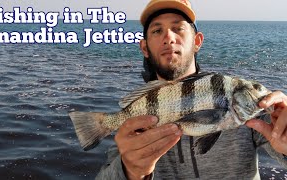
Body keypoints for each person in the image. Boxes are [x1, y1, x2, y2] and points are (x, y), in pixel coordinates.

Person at [95, 0, 287, 179]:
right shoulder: (138, 117)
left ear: (197, 41)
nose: (169, 37)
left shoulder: (254, 112)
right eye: (157, 31)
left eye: (178, 28)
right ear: (144, 48)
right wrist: (130, 171)